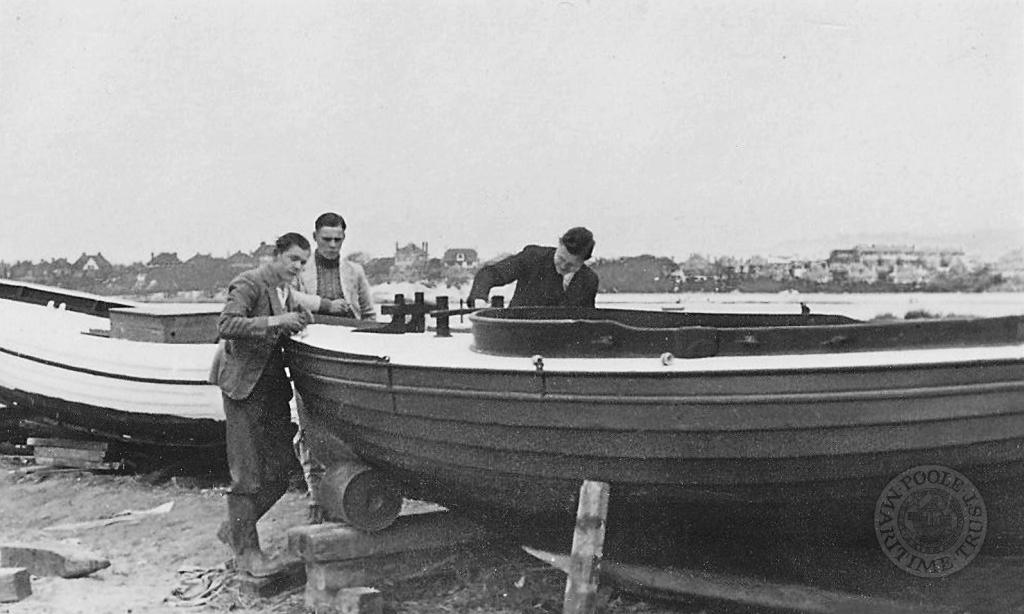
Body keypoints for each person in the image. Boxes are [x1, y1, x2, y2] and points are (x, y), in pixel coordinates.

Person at [211, 232, 313, 577]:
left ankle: (234, 530)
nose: (298, 267)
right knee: (246, 475)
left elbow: (277, 327)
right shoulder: (249, 282)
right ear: (276, 255)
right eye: (293, 259)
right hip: (243, 387)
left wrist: (295, 322)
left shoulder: (284, 290)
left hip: (270, 388)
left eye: (303, 262)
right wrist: (277, 321)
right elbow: (226, 324)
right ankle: (248, 555)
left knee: (280, 473)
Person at [291, 212, 376, 523]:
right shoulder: (299, 272)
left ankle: (354, 496)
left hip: (347, 359)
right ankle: (316, 499)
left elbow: (369, 314)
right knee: (309, 428)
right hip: (310, 357)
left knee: (352, 429)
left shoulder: (354, 272)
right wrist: (325, 305)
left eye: (338, 239)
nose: (332, 245)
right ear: (315, 237)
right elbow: (287, 300)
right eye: (326, 239)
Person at [468, 226, 599, 308]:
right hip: (516, 335)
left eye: (571, 265)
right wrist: (479, 297)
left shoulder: (589, 280)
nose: (563, 266)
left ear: (584, 261)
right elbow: (490, 273)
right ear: (559, 244)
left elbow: (586, 321)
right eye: (561, 258)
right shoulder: (532, 257)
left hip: (561, 342)